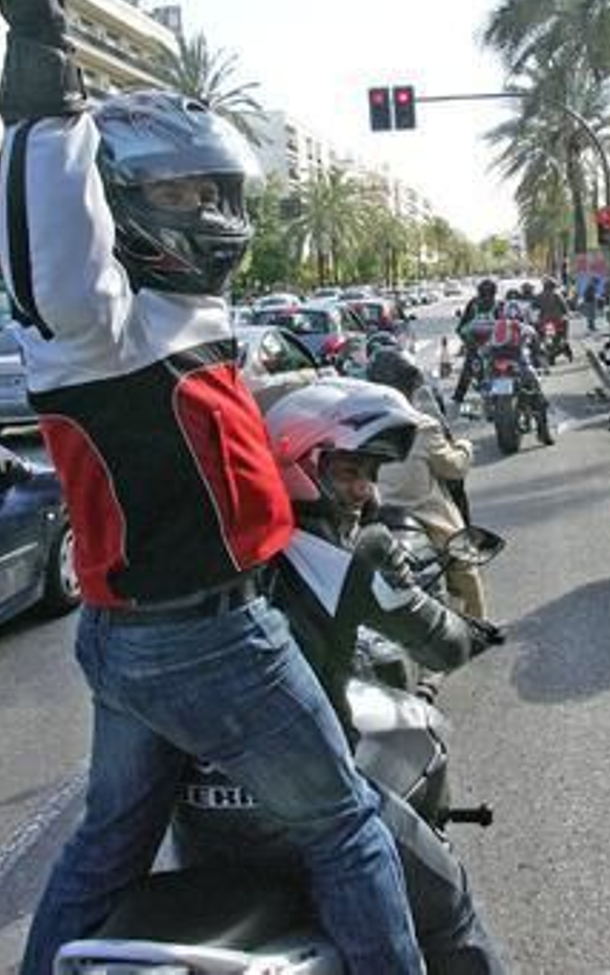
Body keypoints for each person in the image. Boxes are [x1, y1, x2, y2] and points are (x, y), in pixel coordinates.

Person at [0, 0, 419, 975]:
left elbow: (224, 414)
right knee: (346, 824)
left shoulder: (179, 316)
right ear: (124, 202)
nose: (210, 207)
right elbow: (48, 241)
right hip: (206, 639)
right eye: (182, 187)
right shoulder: (92, 328)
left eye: (213, 184)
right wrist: (42, 75)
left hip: (135, 632)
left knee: (107, 840)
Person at [255, 377, 507, 973]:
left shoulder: (229, 543)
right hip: (307, 785)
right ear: (298, 463)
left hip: (201, 804)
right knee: (451, 910)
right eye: (347, 471)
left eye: (369, 473)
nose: (364, 491)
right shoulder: (356, 551)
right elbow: (441, 644)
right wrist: (477, 633)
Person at [366, 348, 488, 618]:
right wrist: (466, 447)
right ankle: (480, 627)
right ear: (409, 387)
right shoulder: (421, 426)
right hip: (423, 517)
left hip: (374, 519)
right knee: (465, 565)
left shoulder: (360, 424)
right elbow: (454, 469)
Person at [451, 278, 500, 407]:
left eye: (489, 293)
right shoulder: (491, 304)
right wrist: (467, 339)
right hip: (483, 344)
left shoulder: (493, 304)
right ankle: (458, 396)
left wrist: (465, 337)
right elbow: (462, 327)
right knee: (468, 367)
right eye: (486, 293)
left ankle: (458, 396)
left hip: (487, 343)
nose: (487, 297)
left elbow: (461, 326)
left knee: (468, 368)